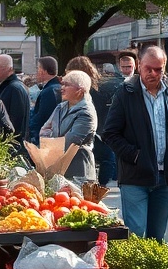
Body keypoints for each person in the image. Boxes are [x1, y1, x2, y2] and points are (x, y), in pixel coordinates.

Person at [102, 46, 168, 239]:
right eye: (148, 68)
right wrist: (135, 156)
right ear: (139, 66)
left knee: (157, 238)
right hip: (135, 177)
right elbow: (110, 134)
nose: (153, 73)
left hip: (165, 177)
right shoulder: (125, 94)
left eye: (158, 69)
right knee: (135, 236)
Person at [39, 69, 97, 180]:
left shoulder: (86, 113)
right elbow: (44, 130)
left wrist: (51, 140)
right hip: (57, 168)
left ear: (80, 90)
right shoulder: (60, 107)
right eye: (62, 84)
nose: (62, 88)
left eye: (66, 85)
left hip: (78, 171)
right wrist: (52, 140)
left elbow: (70, 142)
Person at [66, 56, 112, 184]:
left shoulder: (76, 91)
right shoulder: (99, 87)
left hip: (81, 128)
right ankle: (101, 186)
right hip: (99, 129)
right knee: (107, 158)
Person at [0, 54, 30, 149]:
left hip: (12, 146)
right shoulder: (14, 87)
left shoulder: (13, 89)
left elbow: (15, 121)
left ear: (6, 68)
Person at [28, 56, 61, 144]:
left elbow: (42, 116)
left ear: (43, 71)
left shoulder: (49, 91)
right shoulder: (57, 87)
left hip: (47, 138)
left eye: (38, 69)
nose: (36, 73)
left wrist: (29, 128)